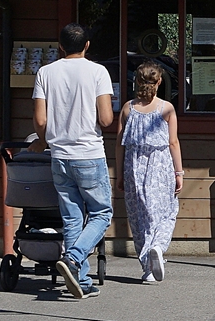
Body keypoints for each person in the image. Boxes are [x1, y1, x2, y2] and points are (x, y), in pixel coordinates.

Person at [29, 23, 115, 299]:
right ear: (87, 45)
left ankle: (81, 281)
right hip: (89, 153)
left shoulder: (45, 72)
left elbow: (40, 119)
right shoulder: (98, 72)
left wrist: (43, 142)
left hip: (59, 156)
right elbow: (105, 119)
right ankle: (74, 258)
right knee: (102, 213)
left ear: (61, 46)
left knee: (72, 217)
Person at [114, 61, 183, 284]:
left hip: (134, 168)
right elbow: (173, 142)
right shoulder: (166, 109)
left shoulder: (128, 108)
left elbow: (119, 144)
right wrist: (179, 172)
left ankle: (148, 268)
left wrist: (120, 174)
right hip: (160, 167)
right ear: (160, 81)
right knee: (166, 212)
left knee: (139, 217)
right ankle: (158, 247)